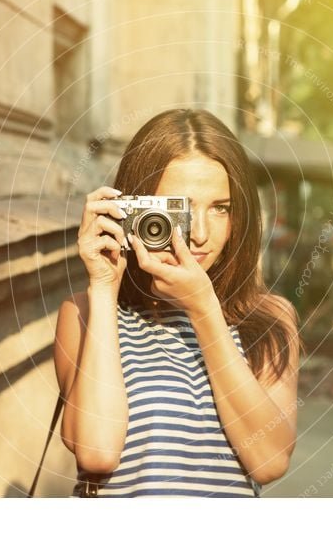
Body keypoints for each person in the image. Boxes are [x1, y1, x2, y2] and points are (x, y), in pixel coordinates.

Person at [53, 108, 301, 497]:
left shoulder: (268, 316)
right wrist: (103, 287)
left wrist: (205, 312)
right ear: (137, 209)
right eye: (181, 209)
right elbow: (96, 453)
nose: (201, 234)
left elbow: (269, 461)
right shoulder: (87, 313)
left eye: (221, 208)